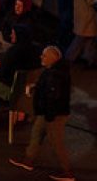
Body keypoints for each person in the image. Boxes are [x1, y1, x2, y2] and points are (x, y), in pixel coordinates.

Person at [9, 46, 73, 181]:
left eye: (44, 56)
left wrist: (49, 115)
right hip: (47, 112)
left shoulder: (55, 75)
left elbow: (53, 97)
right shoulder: (53, 71)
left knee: (56, 143)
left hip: (54, 115)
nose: (41, 57)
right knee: (36, 133)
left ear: (53, 58)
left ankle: (67, 171)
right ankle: (28, 160)